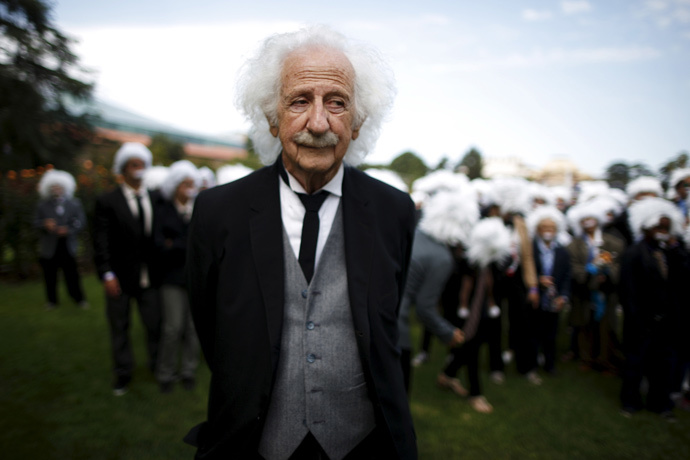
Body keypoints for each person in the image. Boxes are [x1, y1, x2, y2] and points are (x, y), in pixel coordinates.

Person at [186, 26, 417, 459]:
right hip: (251, 443)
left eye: (337, 103)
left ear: (358, 121)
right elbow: (211, 328)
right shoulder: (218, 212)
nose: (318, 122)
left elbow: (385, 319)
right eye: (299, 101)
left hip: (363, 444)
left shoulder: (394, 211)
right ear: (272, 119)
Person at [93, 142, 162, 396]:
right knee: (119, 327)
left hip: (151, 277)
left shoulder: (155, 197)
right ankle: (122, 374)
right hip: (120, 276)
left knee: (154, 324)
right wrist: (107, 273)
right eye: (133, 165)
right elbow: (100, 241)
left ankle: (157, 367)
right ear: (123, 169)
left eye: (142, 164)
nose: (138, 169)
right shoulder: (108, 201)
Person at [397, 190, 477, 393]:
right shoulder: (441, 257)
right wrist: (448, 332)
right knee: (396, 403)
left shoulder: (413, 233)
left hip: (371, 318)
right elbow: (425, 308)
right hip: (396, 330)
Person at [619, 197, 689, 420]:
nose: (662, 231)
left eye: (666, 228)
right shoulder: (634, 253)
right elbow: (628, 291)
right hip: (642, 319)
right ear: (646, 227)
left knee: (663, 365)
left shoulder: (672, 252)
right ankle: (630, 402)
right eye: (659, 227)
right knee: (636, 364)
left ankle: (661, 404)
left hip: (668, 320)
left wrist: (675, 249)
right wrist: (636, 318)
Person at [154, 160, 201, 393]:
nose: (189, 188)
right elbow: (160, 246)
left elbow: (202, 244)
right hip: (171, 278)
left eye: (192, 184)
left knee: (194, 329)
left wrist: (176, 243)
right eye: (185, 184)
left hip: (195, 278)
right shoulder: (163, 211)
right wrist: (182, 244)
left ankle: (188, 371)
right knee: (172, 328)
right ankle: (166, 373)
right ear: (175, 186)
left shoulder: (200, 209)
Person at [566, 200, 625, 374]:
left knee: (607, 326)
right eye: (584, 219)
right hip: (584, 292)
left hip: (607, 292)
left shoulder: (613, 242)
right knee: (585, 325)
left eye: (591, 218)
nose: (588, 222)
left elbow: (619, 265)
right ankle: (587, 359)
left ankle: (606, 360)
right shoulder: (574, 245)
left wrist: (608, 269)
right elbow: (575, 268)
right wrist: (589, 269)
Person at [34, 169, 88, 310]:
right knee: (50, 275)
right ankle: (52, 301)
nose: (56, 189)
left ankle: (79, 299)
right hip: (50, 245)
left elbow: (81, 221)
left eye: (59, 186)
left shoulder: (74, 203)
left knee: (72, 273)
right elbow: (35, 222)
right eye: (53, 187)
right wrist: (45, 225)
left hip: (67, 244)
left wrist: (69, 230)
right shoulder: (43, 205)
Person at [526, 206, 571, 375]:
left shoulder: (562, 252)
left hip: (554, 300)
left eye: (551, 228)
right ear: (538, 230)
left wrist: (564, 297)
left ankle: (550, 365)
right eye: (544, 228)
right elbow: (525, 271)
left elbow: (567, 275)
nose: (548, 231)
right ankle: (531, 365)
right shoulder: (530, 250)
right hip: (536, 297)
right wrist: (537, 280)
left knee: (551, 334)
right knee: (533, 333)